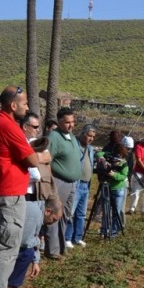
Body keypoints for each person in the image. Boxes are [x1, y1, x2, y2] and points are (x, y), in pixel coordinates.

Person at [0, 86, 47, 288]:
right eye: (25, 103)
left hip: (2, 190)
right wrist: (40, 156)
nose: (27, 107)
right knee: (7, 247)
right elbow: (32, 160)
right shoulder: (9, 126)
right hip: (9, 194)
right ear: (13, 105)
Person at [0, 196, 62, 288]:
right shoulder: (34, 214)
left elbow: (32, 237)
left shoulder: (37, 210)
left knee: (26, 250)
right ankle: (9, 285)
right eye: (54, 219)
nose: (53, 223)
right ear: (48, 211)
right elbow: (25, 242)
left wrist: (36, 261)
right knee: (26, 253)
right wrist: (39, 242)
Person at [46, 107, 81, 256]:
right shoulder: (54, 137)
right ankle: (52, 250)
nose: (71, 125)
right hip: (59, 181)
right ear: (59, 122)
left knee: (66, 215)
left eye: (72, 122)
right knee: (54, 214)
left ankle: (61, 247)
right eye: (67, 122)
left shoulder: (71, 136)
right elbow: (47, 160)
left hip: (72, 183)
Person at [66, 124, 96, 247]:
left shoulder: (91, 149)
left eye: (93, 137)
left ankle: (77, 238)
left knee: (82, 214)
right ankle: (67, 238)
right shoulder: (75, 146)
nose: (91, 139)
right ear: (83, 134)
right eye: (89, 136)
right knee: (70, 213)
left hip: (86, 185)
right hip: (76, 184)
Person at [95, 143, 130, 237]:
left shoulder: (124, 163)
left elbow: (124, 176)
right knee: (106, 211)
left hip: (118, 189)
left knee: (116, 212)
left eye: (120, 155)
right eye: (116, 154)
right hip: (107, 187)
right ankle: (104, 230)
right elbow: (98, 153)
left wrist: (114, 175)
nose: (117, 157)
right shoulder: (109, 155)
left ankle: (113, 232)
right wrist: (102, 158)